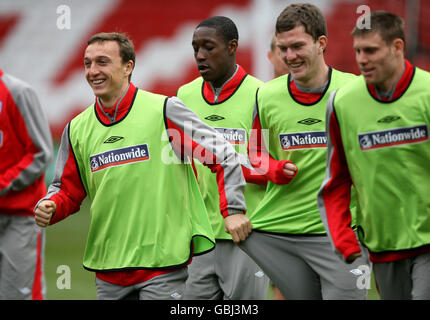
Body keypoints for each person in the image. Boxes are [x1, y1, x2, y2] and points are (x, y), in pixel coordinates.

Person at [34, 32, 249, 300]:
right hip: (108, 267)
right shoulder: (76, 129)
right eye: (87, 63)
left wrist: (233, 209)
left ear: (128, 67)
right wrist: (51, 205)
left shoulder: (164, 110)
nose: (92, 71)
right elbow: (66, 189)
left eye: (102, 62)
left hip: (162, 265)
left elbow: (222, 154)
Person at [239, 3, 370, 299]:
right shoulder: (267, 95)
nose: (290, 57)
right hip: (280, 233)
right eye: (283, 48)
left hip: (340, 234)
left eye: (297, 46)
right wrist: (273, 169)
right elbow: (253, 154)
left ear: (321, 43)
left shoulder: (354, 91)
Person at [317, 10, 430, 300]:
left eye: (371, 50)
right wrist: (343, 238)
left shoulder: (427, 93)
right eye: (357, 51)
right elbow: (336, 179)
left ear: (397, 47)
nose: (362, 59)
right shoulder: (343, 102)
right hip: (382, 246)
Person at [177, 16, 269, 300]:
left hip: (246, 234)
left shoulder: (261, 95)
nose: (200, 56)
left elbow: (263, 163)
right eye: (195, 48)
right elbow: (179, 161)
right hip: (199, 235)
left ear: (232, 47)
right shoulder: (185, 95)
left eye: (208, 47)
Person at [0, 69, 53, 299]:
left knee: (18, 295)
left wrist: (3, 183)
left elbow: (40, 152)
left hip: (20, 217)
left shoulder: (18, 92)